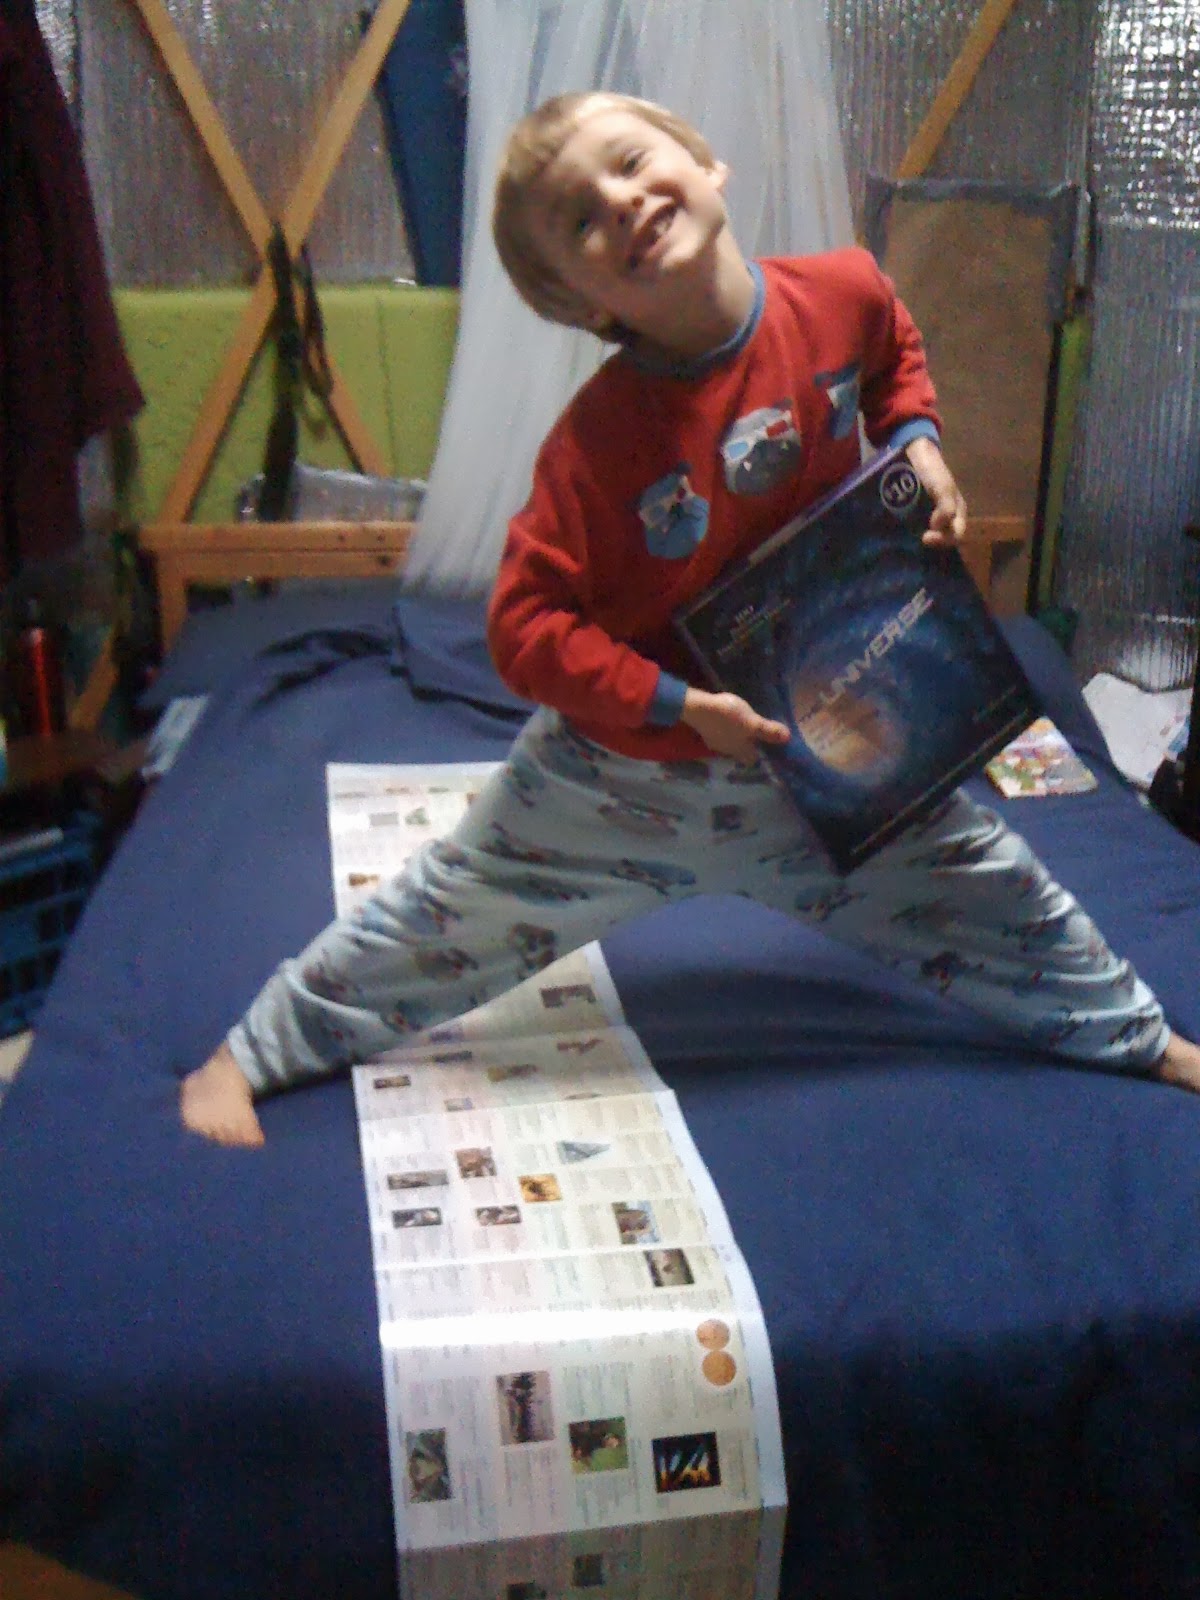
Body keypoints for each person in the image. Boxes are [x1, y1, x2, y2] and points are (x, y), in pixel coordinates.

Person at [181, 90, 1200, 1146]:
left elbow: (893, 351)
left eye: (630, 163)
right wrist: (671, 702)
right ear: (578, 302)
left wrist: (917, 443)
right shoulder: (594, 449)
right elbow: (522, 627)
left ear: (704, 163)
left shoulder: (842, 293)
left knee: (992, 888)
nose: (620, 203)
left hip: (826, 752)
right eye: (581, 219)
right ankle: (253, 1051)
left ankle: (1137, 1036)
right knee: (448, 914)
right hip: (626, 780)